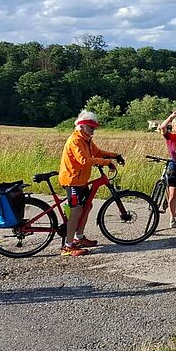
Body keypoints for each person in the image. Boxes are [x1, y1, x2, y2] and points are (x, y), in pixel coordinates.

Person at [57, 110, 121, 256]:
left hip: (80, 181)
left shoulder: (86, 139)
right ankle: (67, 246)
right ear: (82, 126)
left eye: (94, 127)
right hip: (72, 180)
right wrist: (107, 162)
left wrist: (114, 156)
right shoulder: (75, 140)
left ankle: (79, 238)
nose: (93, 130)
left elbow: (97, 152)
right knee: (76, 210)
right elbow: (84, 160)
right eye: (91, 127)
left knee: (87, 205)